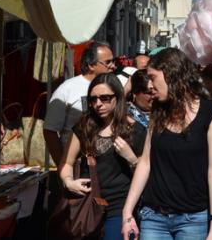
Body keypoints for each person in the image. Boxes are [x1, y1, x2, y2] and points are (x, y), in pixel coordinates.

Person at [121, 48, 212, 240]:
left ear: (172, 74)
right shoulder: (158, 110)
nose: (150, 85)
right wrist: (127, 212)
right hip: (153, 216)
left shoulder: (211, 113)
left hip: (193, 219)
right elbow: (146, 162)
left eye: (153, 77)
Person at [59, 73, 143, 240]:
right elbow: (66, 163)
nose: (98, 104)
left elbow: (146, 171)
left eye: (105, 98)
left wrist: (130, 157)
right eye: (93, 99)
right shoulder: (84, 127)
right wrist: (69, 182)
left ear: (117, 97)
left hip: (119, 209)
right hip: (86, 207)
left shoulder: (135, 130)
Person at [44, 41, 115, 167]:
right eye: (108, 62)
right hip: (77, 165)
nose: (113, 66)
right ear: (91, 65)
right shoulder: (67, 89)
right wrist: (64, 168)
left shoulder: (114, 87)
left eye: (113, 61)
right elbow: (50, 131)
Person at [125, 70, 155, 146]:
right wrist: (125, 90)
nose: (154, 96)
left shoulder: (163, 110)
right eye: (149, 93)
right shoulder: (125, 112)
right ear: (135, 92)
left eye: (156, 91)